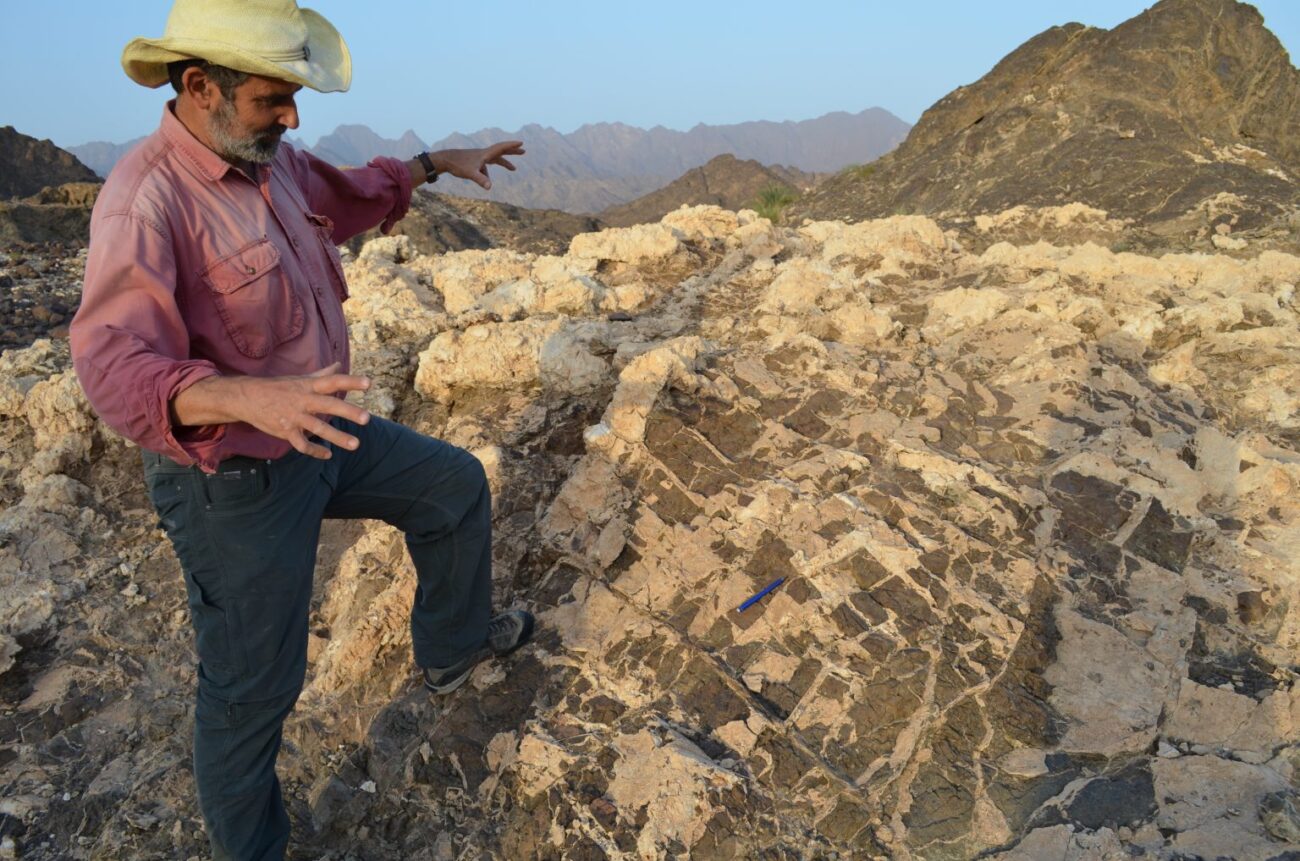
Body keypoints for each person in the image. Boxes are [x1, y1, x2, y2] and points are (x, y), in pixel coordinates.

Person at [69, 1, 534, 858]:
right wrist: (247, 397)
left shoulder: (269, 160)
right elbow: (112, 366)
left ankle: (454, 650)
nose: (292, 115)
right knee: (254, 689)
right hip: (233, 481)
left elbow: (348, 193)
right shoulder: (145, 200)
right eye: (272, 98)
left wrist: (433, 162)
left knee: (452, 485)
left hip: (314, 431)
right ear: (199, 85)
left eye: (292, 96)